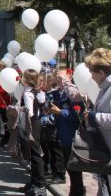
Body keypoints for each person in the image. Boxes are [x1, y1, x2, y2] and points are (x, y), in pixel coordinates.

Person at [51, 67, 86, 196]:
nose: (59, 81)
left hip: (72, 135)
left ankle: (78, 192)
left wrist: (60, 112)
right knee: (69, 167)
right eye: (57, 78)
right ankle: (76, 190)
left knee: (74, 168)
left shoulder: (74, 93)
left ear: (69, 78)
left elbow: (76, 115)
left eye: (61, 78)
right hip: (63, 134)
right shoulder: (60, 93)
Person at [84, 47, 111, 195]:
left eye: (91, 72)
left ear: (101, 73)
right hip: (104, 151)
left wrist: (94, 117)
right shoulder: (105, 89)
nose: (91, 76)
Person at [20, 69, 47, 196]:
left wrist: (18, 110)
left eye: (23, 77)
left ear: (26, 79)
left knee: (35, 153)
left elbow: (29, 112)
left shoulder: (28, 93)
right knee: (34, 152)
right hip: (36, 123)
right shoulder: (36, 91)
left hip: (31, 123)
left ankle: (40, 184)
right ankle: (35, 181)